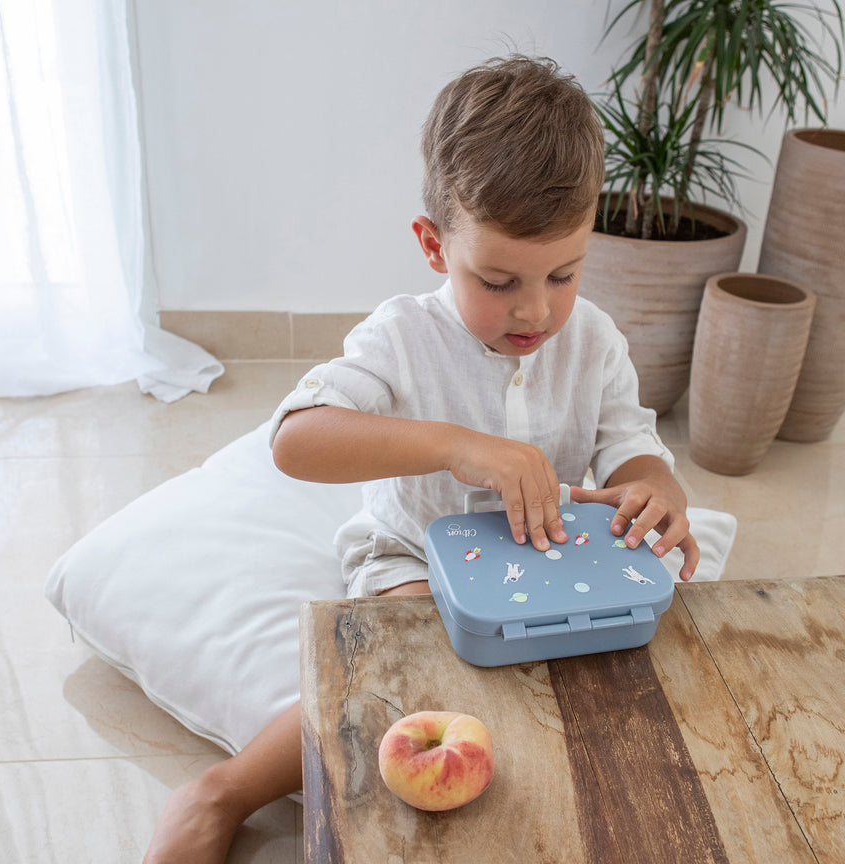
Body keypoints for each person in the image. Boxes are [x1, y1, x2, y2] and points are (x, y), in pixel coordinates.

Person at [143, 53, 699, 864]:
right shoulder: (401, 338)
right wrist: (455, 445)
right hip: (416, 557)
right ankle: (220, 790)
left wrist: (656, 490)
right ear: (434, 246)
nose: (536, 309)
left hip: (554, 560)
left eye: (564, 274)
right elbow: (296, 437)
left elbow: (634, 452)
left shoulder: (597, 342)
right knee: (414, 669)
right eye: (500, 279)